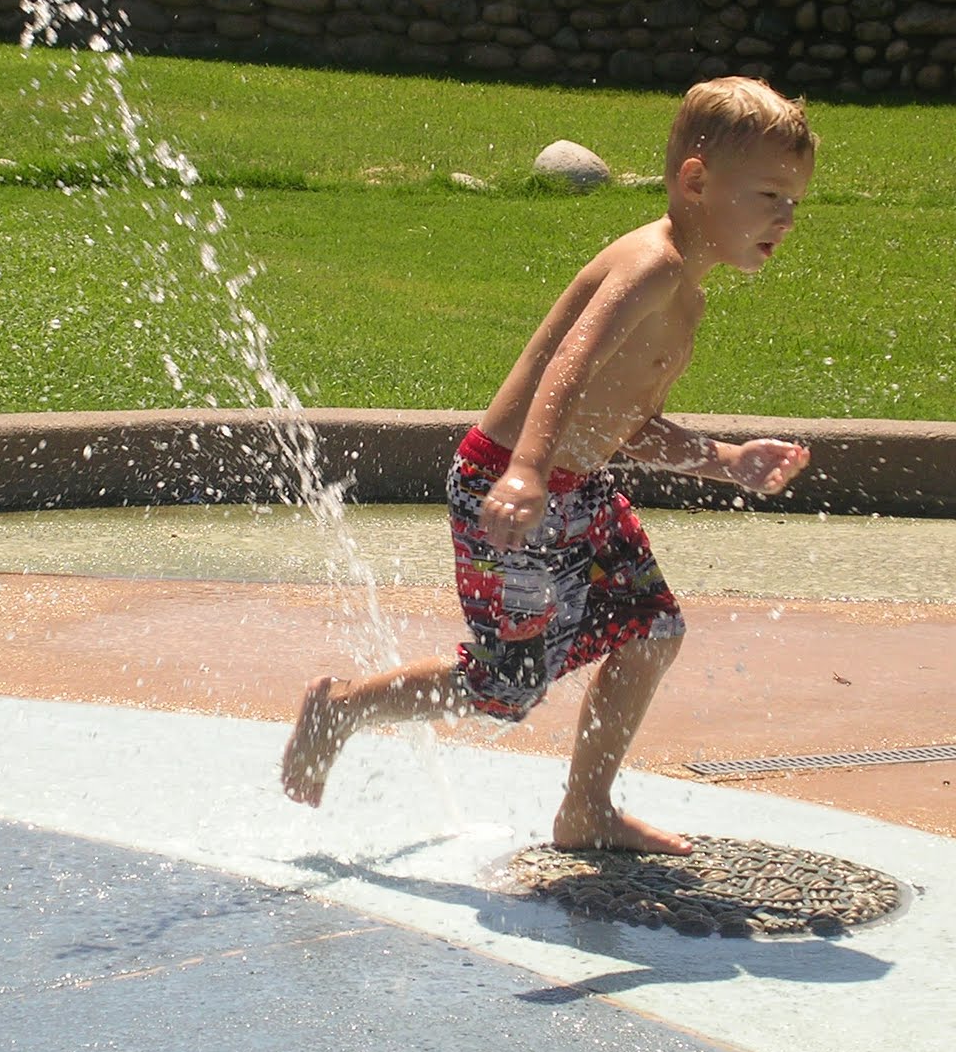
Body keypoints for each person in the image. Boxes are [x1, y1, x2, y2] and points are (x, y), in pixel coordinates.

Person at [281, 76, 817, 855]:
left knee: (652, 630)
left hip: (574, 489)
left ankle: (586, 809)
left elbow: (623, 427)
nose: (786, 218)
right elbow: (570, 364)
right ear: (697, 181)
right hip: (507, 482)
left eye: (794, 201)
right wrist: (528, 471)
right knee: (506, 684)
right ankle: (344, 707)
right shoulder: (652, 266)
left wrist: (726, 460)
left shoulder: (688, 297)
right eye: (769, 195)